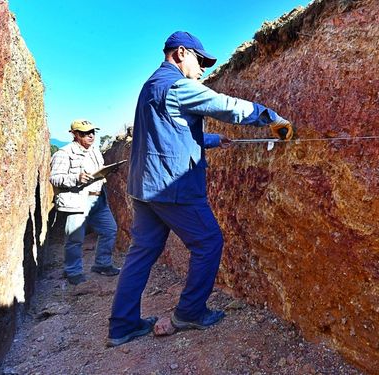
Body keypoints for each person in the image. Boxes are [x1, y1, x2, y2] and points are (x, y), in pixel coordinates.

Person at [106, 31, 294, 347]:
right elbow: (225, 106)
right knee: (208, 242)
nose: (204, 68)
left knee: (141, 253)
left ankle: (122, 326)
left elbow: (165, 133)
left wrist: (211, 140)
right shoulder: (179, 85)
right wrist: (270, 118)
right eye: (201, 60)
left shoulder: (151, 86)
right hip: (171, 187)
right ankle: (190, 312)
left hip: (144, 188)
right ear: (181, 53)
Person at [50, 119, 121, 285]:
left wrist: (110, 171)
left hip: (98, 199)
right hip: (77, 201)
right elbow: (54, 178)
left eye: (92, 132)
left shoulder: (95, 150)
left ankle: (102, 264)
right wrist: (76, 177)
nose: (90, 136)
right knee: (75, 239)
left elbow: (98, 172)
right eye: (84, 133)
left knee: (109, 230)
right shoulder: (63, 153)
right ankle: (72, 271)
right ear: (74, 135)